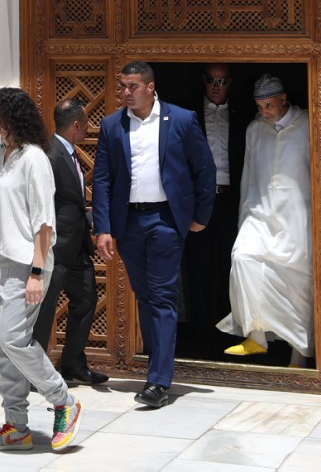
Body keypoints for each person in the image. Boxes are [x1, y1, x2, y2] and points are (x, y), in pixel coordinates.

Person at [0, 88, 83, 452]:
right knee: (4, 350)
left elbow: (44, 222)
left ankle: (64, 402)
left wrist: (36, 272)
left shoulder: (35, 159)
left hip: (26, 264)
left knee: (15, 339)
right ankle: (16, 425)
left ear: (8, 116)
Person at [90, 60, 215, 410]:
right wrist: (103, 227)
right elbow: (102, 179)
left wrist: (199, 217)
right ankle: (156, 371)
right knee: (144, 294)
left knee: (161, 296)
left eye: (132, 86)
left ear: (150, 87)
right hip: (128, 222)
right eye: (122, 86)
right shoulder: (112, 125)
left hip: (165, 220)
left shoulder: (182, 119)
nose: (126, 93)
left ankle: (159, 381)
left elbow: (204, 170)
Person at [219, 76, 314, 364]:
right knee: (243, 258)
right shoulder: (254, 129)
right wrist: (245, 212)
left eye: (269, 105)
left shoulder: (310, 124)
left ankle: (299, 354)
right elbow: (249, 173)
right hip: (260, 211)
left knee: (298, 284)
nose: (265, 111)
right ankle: (256, 337)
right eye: (260, 106)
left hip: (298, 215)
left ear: (284, 99)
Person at [31, 99, 105, 385]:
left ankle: (73, 364)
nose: (88, 128)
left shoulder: (70, 153)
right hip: (54, 249)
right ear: (76, 125)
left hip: (76, 249)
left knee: (86, 301)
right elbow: (42, 203)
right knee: (45, 310)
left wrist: (89, 217)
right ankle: (33, 375)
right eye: (86, 123)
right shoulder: (49, 154)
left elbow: (69, 202)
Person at [183, 64, 249, 353]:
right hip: (199, 200)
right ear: (203, 81)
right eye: (211, 80)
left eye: (222, 81)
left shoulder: (244, 115)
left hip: (230, 199)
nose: (216, 86)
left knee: (230, 264)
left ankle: (228, 330)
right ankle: (199, 331)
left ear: (230, 83)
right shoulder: (189, 116)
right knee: (198, 264)